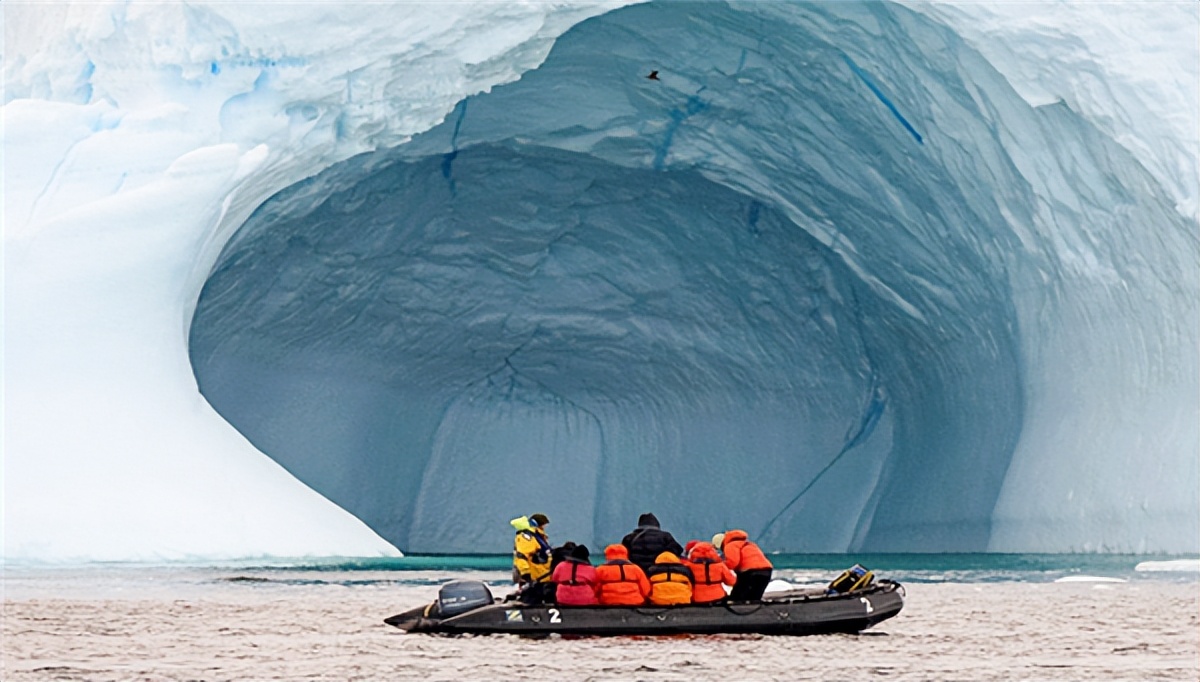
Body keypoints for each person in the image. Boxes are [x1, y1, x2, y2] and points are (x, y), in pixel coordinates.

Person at [714, 530, 773, 601]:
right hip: (766, 571)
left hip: (749, 572)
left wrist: (719, 566)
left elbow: (733, 562)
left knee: (737, 597)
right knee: (754, 598)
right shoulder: (749, 544)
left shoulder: (730, 545)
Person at [510, 513, 553, 604]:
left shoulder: (538, 537)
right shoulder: (527, 537)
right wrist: (526, 574)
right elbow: (522, 556)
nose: (544, 527)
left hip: (543, 577)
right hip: (534, 578)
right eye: (543, 525)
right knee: (530, 600)